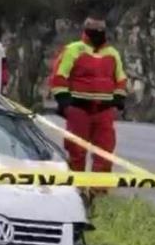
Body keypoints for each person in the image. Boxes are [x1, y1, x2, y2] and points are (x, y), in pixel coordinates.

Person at [49, 16, 127, 207]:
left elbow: (121, 78)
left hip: (103, 110)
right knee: (76, 152)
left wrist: (119, 97)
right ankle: (75, 194)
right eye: (94, 30)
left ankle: (97, 196)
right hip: (79, 109)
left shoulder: (112, 53)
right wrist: (64, 101)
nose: (98, 33)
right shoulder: (74, 50)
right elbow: (59, 77)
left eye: (101, 30)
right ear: (86, 30)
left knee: (105, 153)